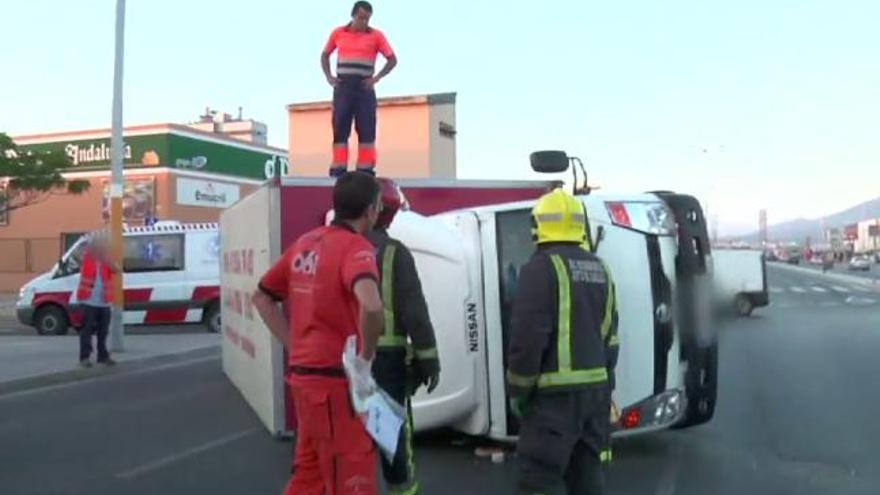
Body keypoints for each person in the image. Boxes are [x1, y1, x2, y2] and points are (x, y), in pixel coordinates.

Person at [252, 171, 386, 495]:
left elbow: (262, 296)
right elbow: (371, 306)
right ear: (370, 210)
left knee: (309, 474)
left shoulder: (305, 243)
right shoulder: (356, 248)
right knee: (352, 471)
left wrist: (293, 345)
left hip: (304, 381)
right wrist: (365, 361)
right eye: (379, 206)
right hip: (336, 384)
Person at [506, 188, 620, 495]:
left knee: (538, 479)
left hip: (553, 402)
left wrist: (518, 391)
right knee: (587, 478)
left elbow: (527, 338)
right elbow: (611, 337)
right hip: (594, 395)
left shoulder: (539, 269)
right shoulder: (601, 269)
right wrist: (605, 387)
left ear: (539, 226)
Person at [366, 178, 440, 495]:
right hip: (386, 365)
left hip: (340, 362)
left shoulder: (333, 247)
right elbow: (415, 314)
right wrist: (429, 361)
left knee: (346, 443)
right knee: (393, 441)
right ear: (391, 213)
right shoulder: (395, 254)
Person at [322, 0, 397, 178]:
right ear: (353, 15)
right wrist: (329, 76)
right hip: (343, 87)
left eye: (367, 19)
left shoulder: (377, 36)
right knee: (340, 127)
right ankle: (339, 168)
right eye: (361, 18)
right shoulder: (338, 33)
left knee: (367, 129)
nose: (364, 22)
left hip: (364, 87)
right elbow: (325, 55)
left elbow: (392, 59)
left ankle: (365, 169)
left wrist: (376, 78)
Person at [75, 233, 119, 367]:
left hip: (104, 301)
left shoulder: (107, 258)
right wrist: (86, 244)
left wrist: (107, 259)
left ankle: (103, 356)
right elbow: (76, 255)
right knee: (86, 331)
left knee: (103, 331)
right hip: (88, 300)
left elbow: (116, 270)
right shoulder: (88, 256)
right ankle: (85, 358)